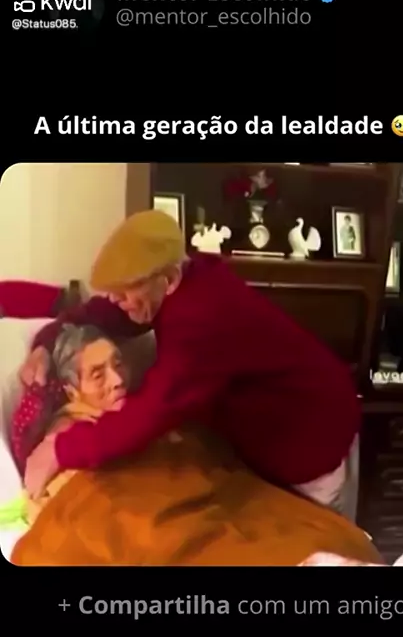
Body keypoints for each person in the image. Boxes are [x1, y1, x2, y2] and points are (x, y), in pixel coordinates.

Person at [21, 210, 361, 519]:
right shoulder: (180, 278)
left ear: (168, 280)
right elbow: (102, 311)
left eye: (124, 293)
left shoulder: (199, 320)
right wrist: (46, 342)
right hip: (274, 428)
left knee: (322, 536)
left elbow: (153, 411)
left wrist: (60, 450)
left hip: (314, 435)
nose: (116, 301)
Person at [14, 324, 127, 523]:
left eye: (118, 364)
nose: (118, 380)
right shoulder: (63, 435)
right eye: (98, 376)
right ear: (72, 392)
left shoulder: (141, 410)